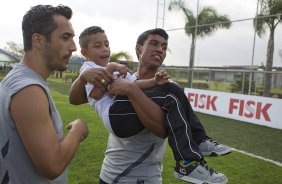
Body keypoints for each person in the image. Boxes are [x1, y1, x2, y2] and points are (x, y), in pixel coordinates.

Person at [69, 28, 231, 184]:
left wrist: (139, 86)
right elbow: (79, 98)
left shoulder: (159, 87)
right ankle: (190, 158)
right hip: (113, 173)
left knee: (172, 90)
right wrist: (84, 77)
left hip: (147, 177)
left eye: (164, 47)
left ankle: (198, 143)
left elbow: (161, 130)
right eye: (154, 44)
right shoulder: (98, 70)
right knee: (171, 92)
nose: (160, 49)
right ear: (139, 49)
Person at [0, 4, 89, 184]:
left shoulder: (20, 79)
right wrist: (78, 129)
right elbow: (52, 166)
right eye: (65, 37)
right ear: (38, 40)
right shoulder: (28, 90)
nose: (73, 47)